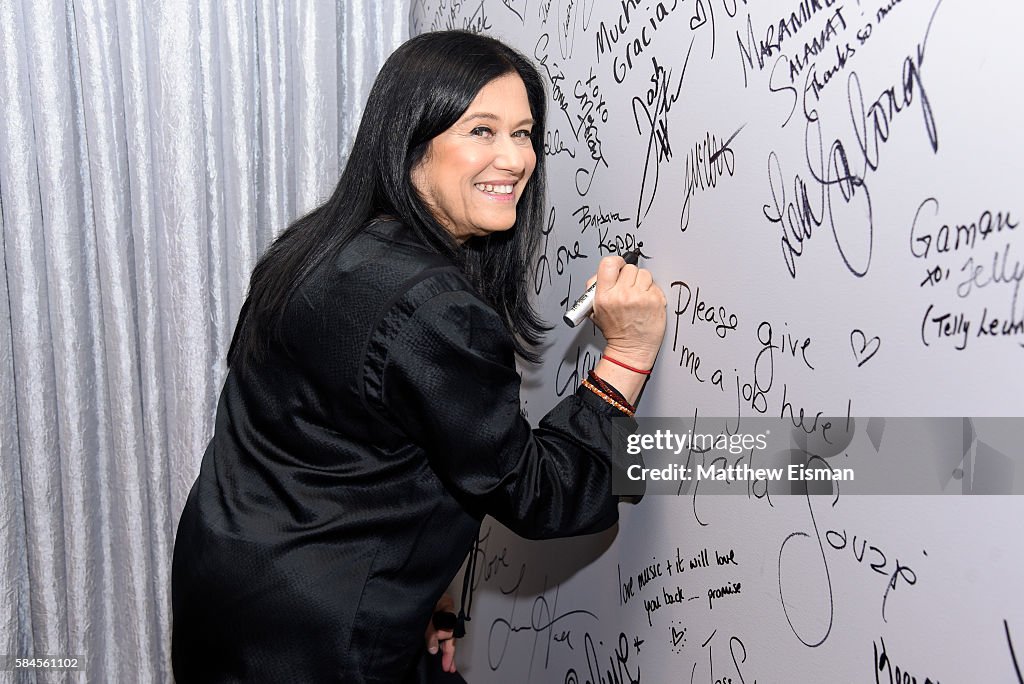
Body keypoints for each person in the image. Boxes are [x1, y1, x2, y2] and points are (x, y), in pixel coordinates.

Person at [171, 29, 667, 683]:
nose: (515, 159)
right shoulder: (436, 309)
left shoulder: (312, 243)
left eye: (523, 134)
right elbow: (540, 496)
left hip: (227, 591)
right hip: (319, 637)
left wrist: (418, 586)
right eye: (481, 131)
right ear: (411, 141)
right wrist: (626, 355)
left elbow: (349, 444)